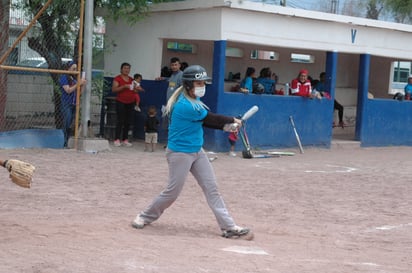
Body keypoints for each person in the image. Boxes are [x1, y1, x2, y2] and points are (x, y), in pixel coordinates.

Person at [132, 65, 251, 238]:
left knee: (212, 189)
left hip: (197, 151)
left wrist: (227, 126)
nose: (202, 85)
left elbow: (204, 122)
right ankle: (144, 216)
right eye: (199, 82)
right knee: (172, 192)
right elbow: (211, 118)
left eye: (203, 82)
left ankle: (228, 226)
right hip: (180, 153)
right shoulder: (184, 104)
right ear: (188, 84)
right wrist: (232, 120)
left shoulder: (195, 101)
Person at [111, 62, 140, 147]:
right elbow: (114, 90)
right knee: (120, 121)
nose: (127, 70)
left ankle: (125, 139)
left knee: (128, 121)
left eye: (128, 68)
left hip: (131, 102)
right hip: (121, 101)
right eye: (125, 68)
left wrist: (136, 89)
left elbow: (135, 91)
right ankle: (116, 139)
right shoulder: (117, 78)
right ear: (121, 69)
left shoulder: (132, 79)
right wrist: (124, 87)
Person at [59, 61, 86, 147]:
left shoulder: (74, 79)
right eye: (73, 68)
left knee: (71, 123)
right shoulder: (64, 77)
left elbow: (79, 93)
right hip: (66, 103)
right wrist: (78, 84)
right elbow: (68, 90)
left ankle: (67, 141)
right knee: (67, 122)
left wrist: (83, 85)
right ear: (68, 69)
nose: (75, 70)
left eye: (76, 69)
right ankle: (64, 141)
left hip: (74, 103)